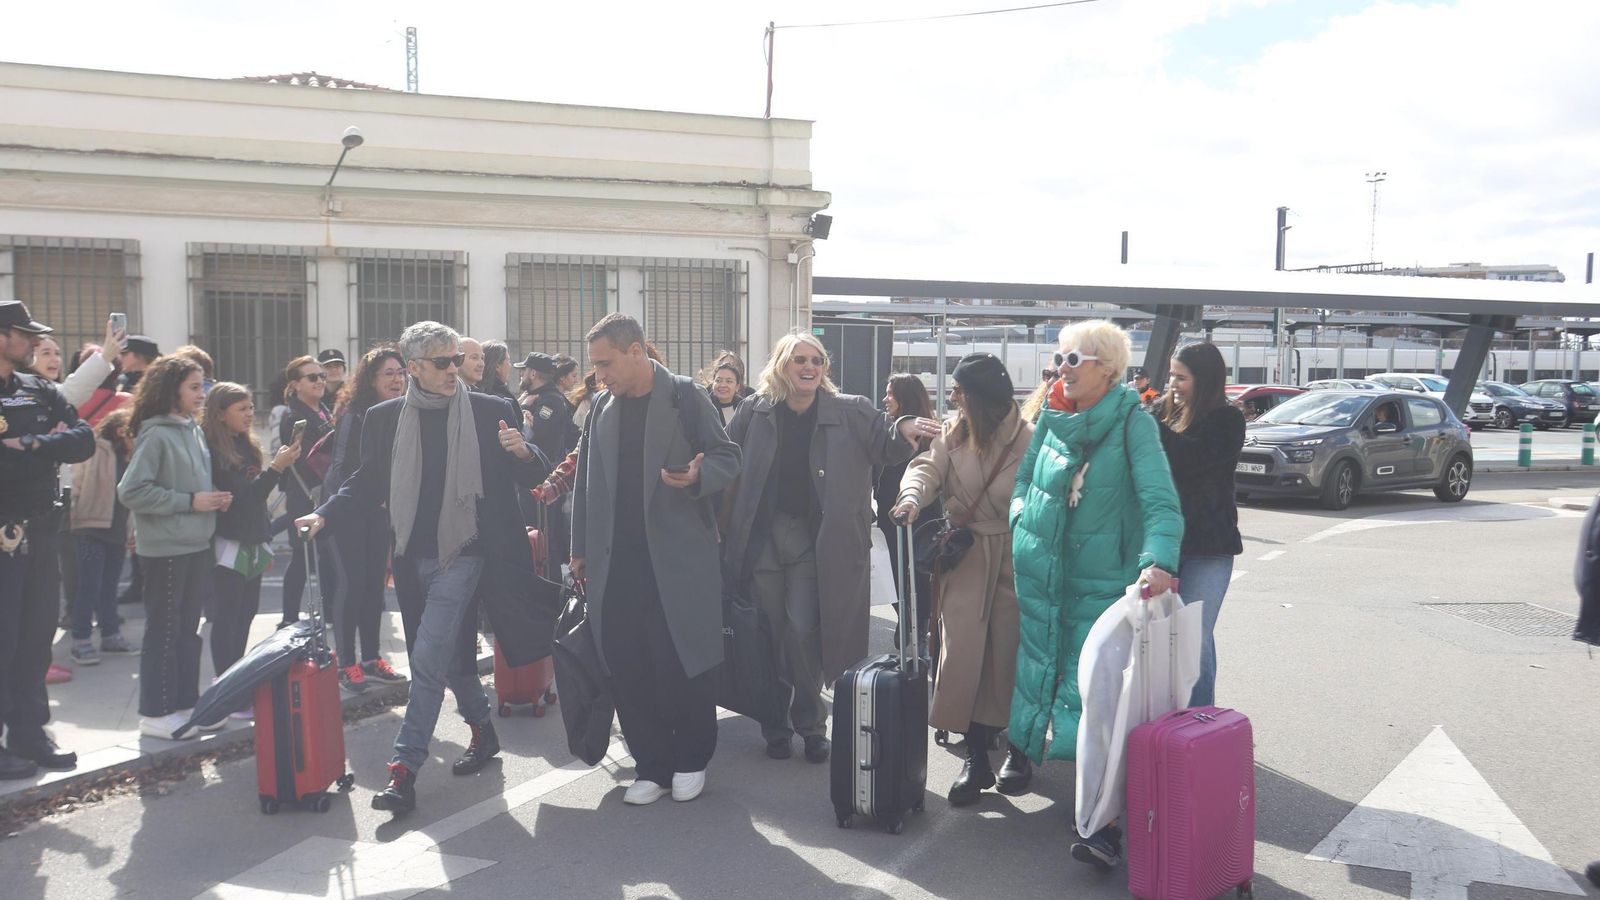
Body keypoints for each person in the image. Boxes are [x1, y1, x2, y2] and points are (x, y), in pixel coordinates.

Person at [299, 321, 554, 814]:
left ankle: (404, 768)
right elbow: (366, 480)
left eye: (457, 358)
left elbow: (535, 472)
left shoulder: (491, 410)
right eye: (443, 362)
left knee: (428, 657)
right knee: (448, 653)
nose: (454, 369)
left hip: (469, 552)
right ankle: (483, 731)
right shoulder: (384, 417)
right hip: (411, 553)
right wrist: (324, 512)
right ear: (413, 367)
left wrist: (524, 451)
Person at [1008, 319, 1183, 871]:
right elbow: (1022, 484)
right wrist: (1021, 523)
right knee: (1038, 670)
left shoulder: (1135, 424)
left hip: (1103, 586)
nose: (1062, 369)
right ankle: (1025, 751)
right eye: (1059, 359)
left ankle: (1103, 826)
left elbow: (1161, 503)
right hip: (1045, 577)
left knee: (1098, 704)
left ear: (1107, 369)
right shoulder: (1052, 420)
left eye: (1074, 360)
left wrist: (1158, 562)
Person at [722, 332, 939, 764]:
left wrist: (906, 427)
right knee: (768, 634)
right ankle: (775, 725)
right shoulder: (755, 409)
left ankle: (810, 723)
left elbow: (886, 440)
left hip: (816, 540)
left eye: (817, 360)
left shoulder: (850, 410)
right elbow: (724, 457)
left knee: (801, 630)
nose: (809, 367)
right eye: (799, 359)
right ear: (781, 365)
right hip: (760, 538)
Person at [569, 313, 739, 805]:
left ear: (637, 352)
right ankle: (650, 763)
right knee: (626, 663)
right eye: (597, 364)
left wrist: (698, 477)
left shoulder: (685, 396)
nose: (599, 374)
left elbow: (728, 456)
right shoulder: (602, 405)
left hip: (677, 560)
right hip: (613, 563)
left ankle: (691, 758)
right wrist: (579, 548)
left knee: (680, 662)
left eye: (606, 363)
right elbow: (586, 483)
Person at [893, 353, 1034, 805]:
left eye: (958, 392)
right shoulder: (953, 433)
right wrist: (911, 499)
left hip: (1016, 556)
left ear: (980, 398)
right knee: (963, 657)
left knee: (1010, 656)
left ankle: (1019, 749)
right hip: (967, 554)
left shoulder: (1030, 439)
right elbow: (924, 470)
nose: (951, 398)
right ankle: (974, 757)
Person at [0, 301, 95, 779]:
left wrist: (34, 445)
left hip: (40, 525)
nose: (35, 343)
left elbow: (83, 440)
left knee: (36, 638)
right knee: (2, 639)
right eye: (24, 334)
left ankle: (29, 731)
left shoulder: (38, 388)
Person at [117, 354, 232, 741]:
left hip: (196, 544)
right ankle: (155, 711)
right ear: (172, 391)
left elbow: (189, 488)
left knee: (187, 631)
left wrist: (212, 500)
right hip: (165, 549)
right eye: (194, 387)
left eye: (203, 386)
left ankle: (185, 704)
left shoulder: (191, 429)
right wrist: (190, 502)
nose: (203, 394)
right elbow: (132, 490)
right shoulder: (155, 432)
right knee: (164, 632)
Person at [1156, 343, 1245, 709]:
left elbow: (1190, 458)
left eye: (1182, 377)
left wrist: (1149, 425)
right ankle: (1171, 721)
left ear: (1204, 379)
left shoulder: (1228, 419)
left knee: (1195, 635)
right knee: (1165, 638)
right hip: (1166, 546)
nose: (1173, 384)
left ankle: (1200, 722)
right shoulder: (1164, 412)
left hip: (1210, 547)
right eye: (1172, 375)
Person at [320, 347, 409, 695]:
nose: (397, 379)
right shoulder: (354, 415)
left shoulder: (403, 413)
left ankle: (372, 659)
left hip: (379, 513)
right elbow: (340, 469)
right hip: (347, 513)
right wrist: (367, 497)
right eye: (388, 373)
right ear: (370, 379)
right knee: (351, 585)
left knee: (375, 586)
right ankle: (346, 664)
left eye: (401, 372)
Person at [204, 383, 300, 680]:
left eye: (250, 408)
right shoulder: (213, 449)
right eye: (241, 409)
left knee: (246, 614)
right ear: (220, 414)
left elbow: (254, 504)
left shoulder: (246, 444)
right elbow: (246, 497)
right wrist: (276, 469)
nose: (249, 414)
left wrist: (264, 542)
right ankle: (225, 680)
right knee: (227, 617)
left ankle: (237, 676)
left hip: (253, 540)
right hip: (227, 542)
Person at [67, 408, 141, 665]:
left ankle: (110, 635)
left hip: (117, 531)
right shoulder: (94, 449)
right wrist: (73, 515)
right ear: (120, 429)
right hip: (90, 527)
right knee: (89, 586)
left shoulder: (131, 457)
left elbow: (130, 499)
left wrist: (132, 532)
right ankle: (81, 640)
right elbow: (76, 482)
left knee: (109, 587)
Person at [874, 373, 938, 642]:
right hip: (889, 514)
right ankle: (908, 618)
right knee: (892, 573)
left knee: (920, 572)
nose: (885, 399)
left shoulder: (931, 432)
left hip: (925, 514)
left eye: (890, 394)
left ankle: (918, 625)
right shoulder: (885, 430)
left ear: (905, 398)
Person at [277, 355, 333, 629]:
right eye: (312, 377)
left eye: (322, 376)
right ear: (296, 384)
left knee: (326, 556)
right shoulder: (293, 416)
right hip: (306, 493)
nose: (320, 381)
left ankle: (330, 613)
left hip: (324, 492)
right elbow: (305, 459)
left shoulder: (323, 409)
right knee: (301, 555)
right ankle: (288, 616)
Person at [705, 357, 745, 426]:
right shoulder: (705, 405)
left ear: (737, 386)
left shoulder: (743, 407)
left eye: (729, 381)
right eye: (718, 381)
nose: (723, 385)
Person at [477, 341, 516, 406]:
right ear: (497, 366)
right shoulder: (503, 401)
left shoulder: (477, 392)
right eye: (508, 361)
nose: (510, 365)